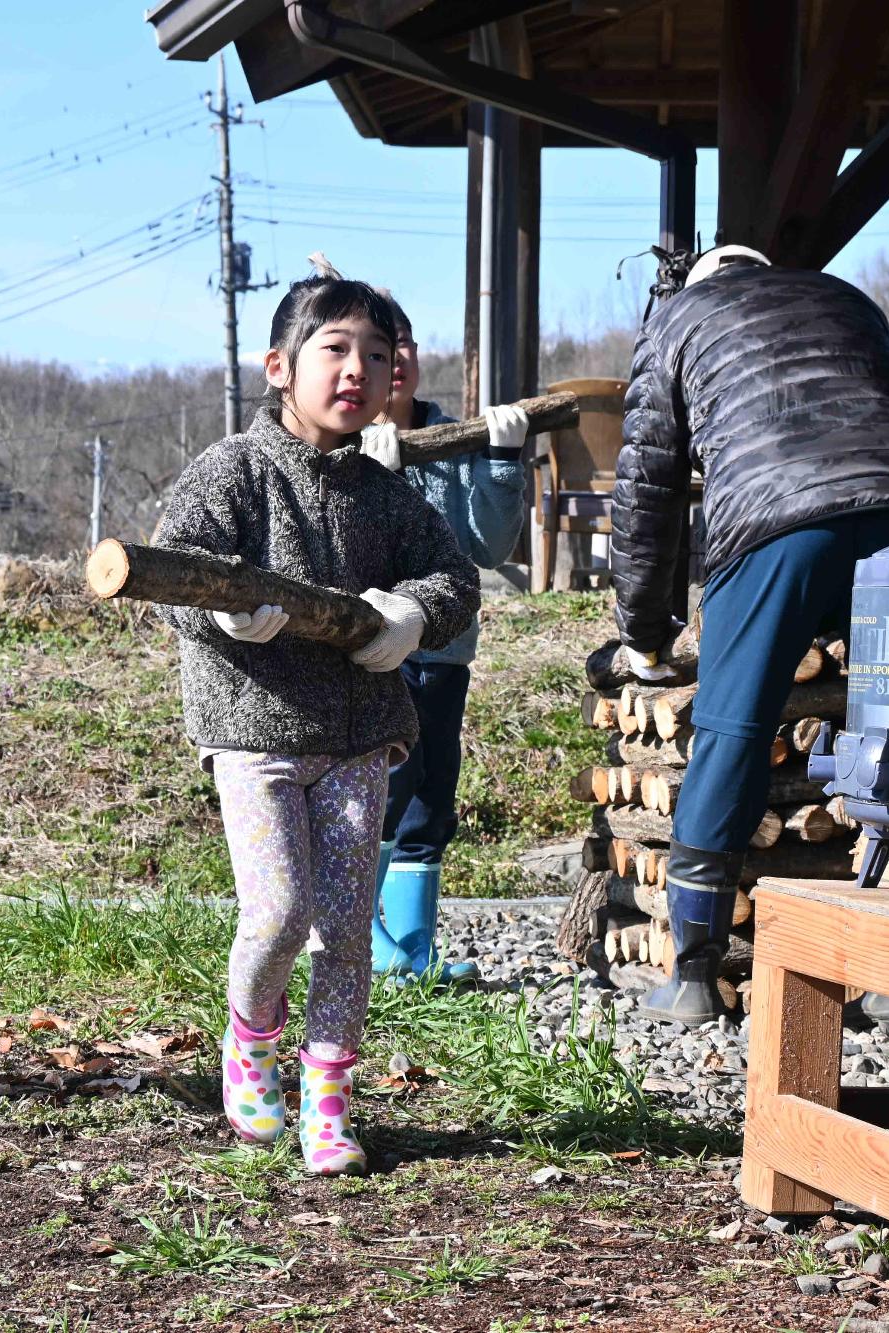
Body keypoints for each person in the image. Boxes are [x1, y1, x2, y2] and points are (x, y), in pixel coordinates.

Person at [153, 272, 481, 1174]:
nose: (358, 370)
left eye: (379, 356)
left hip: (362, 735)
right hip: (253, 730)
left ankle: (328, 1100)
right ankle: (250, 1044)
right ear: (278, 366)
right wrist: (221, 608)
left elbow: (453, 577)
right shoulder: (233, 469)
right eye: (335, 349)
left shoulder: (385, 493)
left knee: (344, 926)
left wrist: (411, 616)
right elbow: (174, 568)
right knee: (280, 910)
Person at [610, 244, 889, 1026]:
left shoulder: (677, 319)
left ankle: (694, 976)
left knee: (733, 729)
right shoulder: (848, 296)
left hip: (775, 521)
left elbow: (646, 490)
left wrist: (643, 629)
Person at [355, 294, 529, 982]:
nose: (393, 361)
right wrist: (378, 477)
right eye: (375, 348)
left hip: (446, 651)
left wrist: (505, 460)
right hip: (374, 655)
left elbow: (487, 547)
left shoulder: (451, 437)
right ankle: (361, 942)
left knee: (430, 794)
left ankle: (413, 953)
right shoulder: (344, 448)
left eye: (402, 345)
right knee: (384, 793)